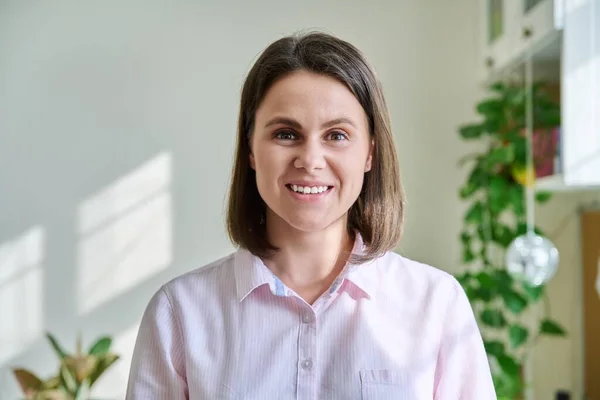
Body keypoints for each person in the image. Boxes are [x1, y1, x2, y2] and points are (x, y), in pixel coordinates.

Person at [125, 31, 496, 399]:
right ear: (251, 150)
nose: (310, 161)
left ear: (370, 152)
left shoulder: (437, 303)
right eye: (286, 134)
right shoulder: (179, 313)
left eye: (336, 135)